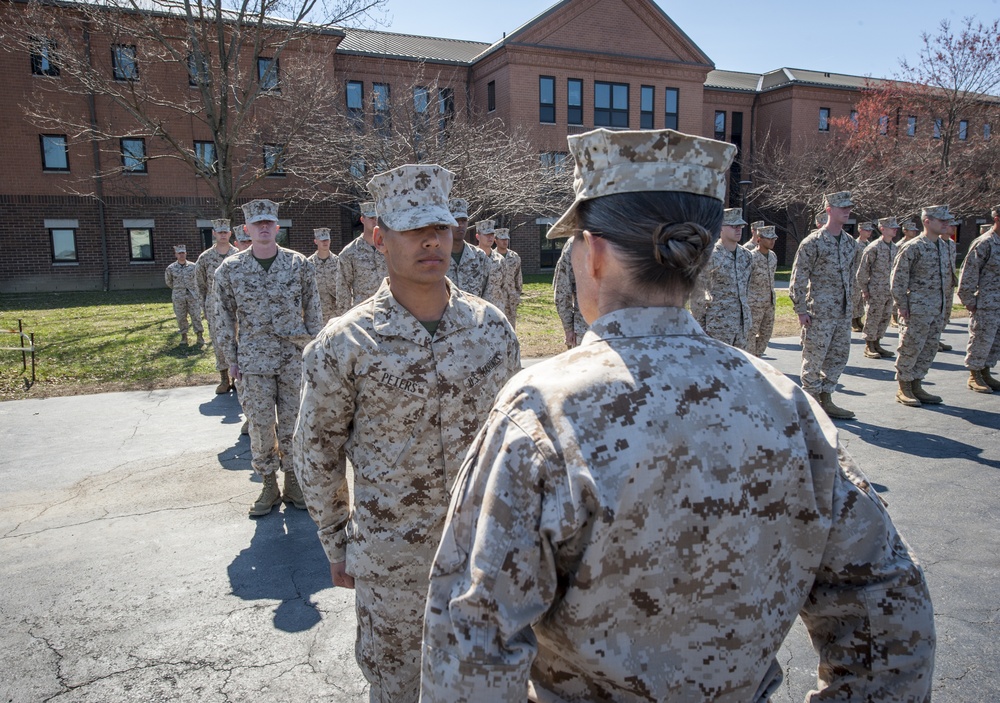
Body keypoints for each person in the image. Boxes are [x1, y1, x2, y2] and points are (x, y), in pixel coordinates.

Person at [420, 127, 935, 702]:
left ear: (591, 253)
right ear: (703, 256)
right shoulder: (787, 405)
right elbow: (893, 623)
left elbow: (470, 642)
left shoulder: (540, 410)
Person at [294, 164, 520, 703]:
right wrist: (336, 540)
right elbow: (316, 450)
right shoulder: (344, 344)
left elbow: (518, 443)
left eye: (439, 228)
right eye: (413, 230)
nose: (430, 241)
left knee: (489, 686)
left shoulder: (491, 329)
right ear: (378, 236)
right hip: (393, 567)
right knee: (399, 689)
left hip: (483, 560)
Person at [215, 199, 323, 516]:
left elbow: (313, 308)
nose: (263, 227)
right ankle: (268, 486)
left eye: (269, 223)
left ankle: (292, 483)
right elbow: (222, 316)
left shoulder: (299, 264)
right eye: (257, 223)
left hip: (293, 356)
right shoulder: (231, 269)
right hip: (253, 359)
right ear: (246, 229)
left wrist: (315, 349)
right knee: (261, 425)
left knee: (293, 423)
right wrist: (230, 359)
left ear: (277, 228)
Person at [789, 191, 859, 419]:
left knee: (839, 356)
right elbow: (798, 278)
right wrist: (801, 310)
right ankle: (809, 405)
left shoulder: (850, 244)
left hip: (842, 312)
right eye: (842, 208)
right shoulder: (813, 242)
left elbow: (851, 278)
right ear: (829, 210)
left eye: (849, 207)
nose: (847, 211)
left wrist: (854, 309)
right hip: (819, 312)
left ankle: (826, 399)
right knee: (813, 358)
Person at [890, 204, 956, 407]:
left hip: (938, 307)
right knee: (910, 347)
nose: (946, 223)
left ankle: (917, 383)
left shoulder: (944, 246)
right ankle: (904, 387)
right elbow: (898, 279)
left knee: (929, 348)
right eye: (941, 220)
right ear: (927, 221)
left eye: (947, 220)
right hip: (917, 309)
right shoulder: (913, 247)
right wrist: (901, 305)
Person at [690, 207, 753, 349]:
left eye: (740, 226)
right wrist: (700, 326)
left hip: (742, 327)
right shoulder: (709, 256)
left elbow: (745, 291)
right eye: (733, 226)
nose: (738, 230)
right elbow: (697, 294)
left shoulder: (747, 256)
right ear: (721, 228)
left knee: (740, 369)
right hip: (717, 326)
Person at [958, 206, 1000, 393]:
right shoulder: (985, 243)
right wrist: (969, 301)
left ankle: (986, 371)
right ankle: (974, 374)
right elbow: (968, 274)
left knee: (995, 341)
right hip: (986, 303)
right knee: (981, 339)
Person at [196, 218, 239, 393]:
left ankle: (237, 379)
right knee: (219, 340)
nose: (223, 235)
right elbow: (200, 285)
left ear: (230, 233)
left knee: (237, 340)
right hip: (214, 307)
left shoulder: (238, 254)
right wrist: (204, 308)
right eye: (219, 232)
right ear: (214, 234)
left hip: (236, 306)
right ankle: (224, 378)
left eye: (225, 232)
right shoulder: (205, 258)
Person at [335, 201, 388, 315]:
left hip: (389, 309)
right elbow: (343, 288)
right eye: (371, 218)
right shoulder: (349, 252)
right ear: (362, 219)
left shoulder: (390, 248)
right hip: (363, 313)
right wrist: (343, 317)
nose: (375, 221)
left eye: (377, 218)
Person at [858, 217, 899, 359]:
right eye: (891, 227)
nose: (895, 229)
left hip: (889, 290)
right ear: (882, 228)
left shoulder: (895, 248)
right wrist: (864, 289)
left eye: (895, 227)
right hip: (875, 290)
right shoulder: (873, 247)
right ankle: (868, 346)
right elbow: (862, 271)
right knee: (873, 317)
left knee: (885, 317)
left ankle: (877, 343)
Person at [445, 197, 492, 297]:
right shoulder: (437, 257)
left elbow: (487, 294)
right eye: (456, 220)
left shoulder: (480, 257)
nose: (460, 225)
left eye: (464, 220)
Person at [747, 224, 778, 356]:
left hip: (769, 303)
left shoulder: (773, 256)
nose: (772, 241)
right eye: (769, 238)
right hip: (754, 304)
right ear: (759, 239)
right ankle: (750, 360)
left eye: (774, 239)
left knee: (766, 334)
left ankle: (757, 356)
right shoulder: (750, 257)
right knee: (750, 334)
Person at [164, 245, 204, 346]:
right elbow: (169, 282)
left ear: (186, 254)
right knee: (181, 316)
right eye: (179, 253)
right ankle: (184, 336)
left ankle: (199, 336)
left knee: (196, 315)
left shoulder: (193, 266)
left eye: (183, 253)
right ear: (176, 255)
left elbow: (199, 279)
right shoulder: (171, 268)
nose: (181, 255)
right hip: (178, 296)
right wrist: (178, 289)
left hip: (193, 295)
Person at [553, 236, 588, 348]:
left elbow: (562, 291)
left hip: (622, 330)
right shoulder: (576, 244)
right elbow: (562, 290)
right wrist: (568, 327)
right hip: (585, 328)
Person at [307, 227, 339, 323]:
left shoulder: (338, 261)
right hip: (317, 312)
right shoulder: (309, 263)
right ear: (316, 241)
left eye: (327, 240)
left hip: (336, 312)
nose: (325, 243)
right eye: (322, 240)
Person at [938, 217, 960, 351]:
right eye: (951, 226)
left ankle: (937, 339)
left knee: (945, 314)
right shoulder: (935, 242)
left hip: (948, 284)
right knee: (937, 314)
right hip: (937, 286)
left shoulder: (951, 243)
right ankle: (932, 342)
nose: (954, 228)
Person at [474, 219, 506, 309]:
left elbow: (504, 286)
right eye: (486, 235)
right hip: (476, 309)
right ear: (478, 236)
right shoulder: (471, 258)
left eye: (492, 234)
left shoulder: (500, 260)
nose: (490, 238)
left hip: (495, 309)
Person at [494, 227, 522, 327]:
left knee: (511, 327)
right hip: (497, 298)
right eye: (502, 239)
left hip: (511, 298)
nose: (505, 241)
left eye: (506, 239)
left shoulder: (514, 257)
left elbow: (518, 278)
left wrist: (517, 294)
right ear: (495, 240)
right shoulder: (492, 257)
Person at [850, 221, 874, 332]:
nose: (869, 232)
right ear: (860, 230)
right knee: (854, 299)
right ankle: (853, 321)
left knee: (861, 300)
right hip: (855, 275)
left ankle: (859, 319)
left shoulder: (869, 244)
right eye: (866, 230)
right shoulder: (855, 244)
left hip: (866, 275)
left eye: (870, 230)